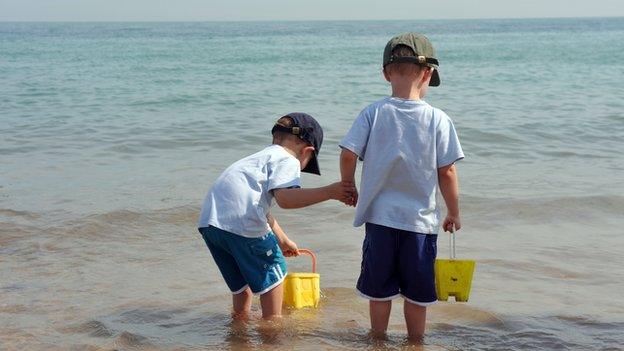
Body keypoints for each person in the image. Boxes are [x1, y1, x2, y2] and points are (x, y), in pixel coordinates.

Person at [339, 33, 465, 341]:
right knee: (417, 294)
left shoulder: (373, 112)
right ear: (428, 73)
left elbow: (347, 152)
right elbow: (446, 171)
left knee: (379, 291)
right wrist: (454, 211)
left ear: (385, 73)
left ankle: (378, 339)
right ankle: (415, 342)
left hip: (380, 219)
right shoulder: (438, 119)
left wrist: (348, 184)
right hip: (419, 224)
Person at [198, 112, 354, 320]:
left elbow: (259, 208)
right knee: (274, 270)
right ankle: (272, 327)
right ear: (307, 151)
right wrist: (329, 192)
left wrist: (282, 239)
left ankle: (240, 321)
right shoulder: (288, 159)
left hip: (211, 224)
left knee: (241, 283)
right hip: (242, 224)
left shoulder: (255, 160)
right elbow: (286, 199)